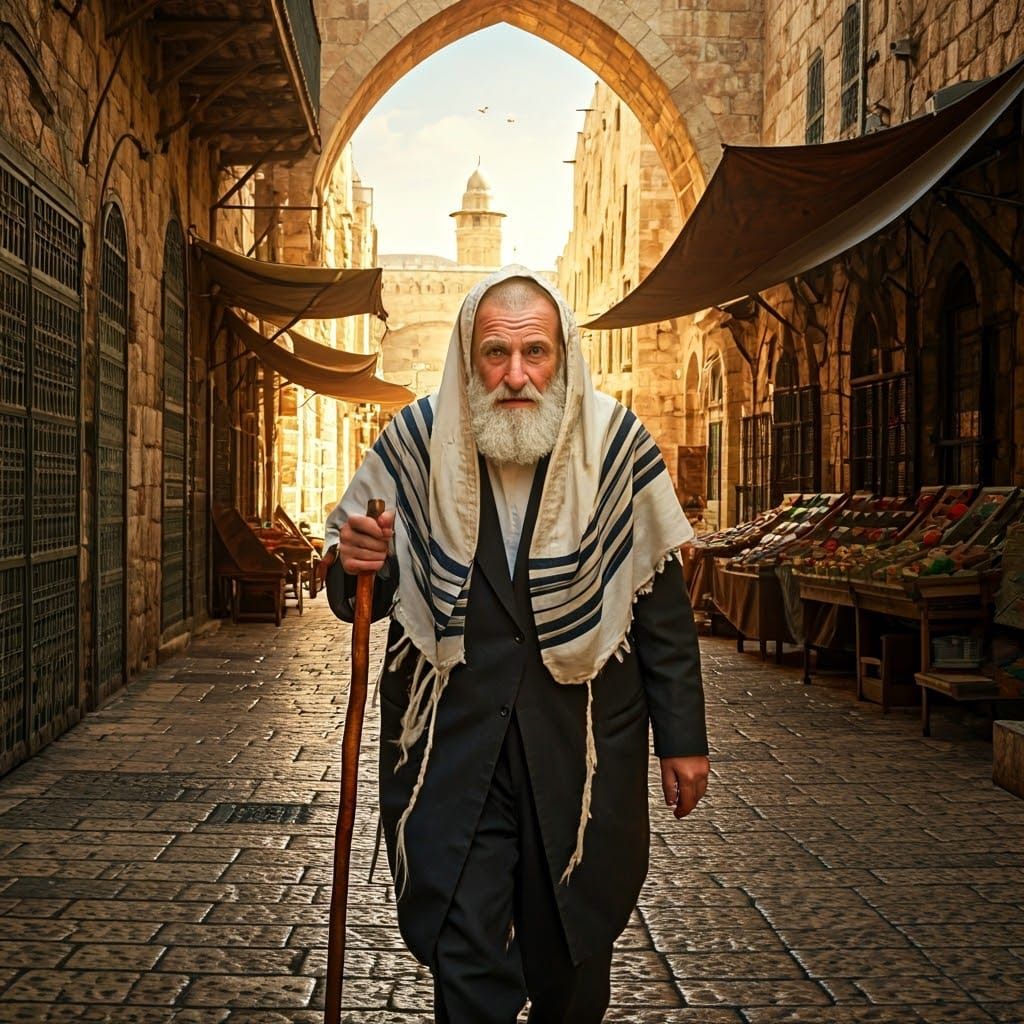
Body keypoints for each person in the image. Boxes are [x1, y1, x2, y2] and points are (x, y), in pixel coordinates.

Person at [321, 266, 708, 1023]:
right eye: (496, 354)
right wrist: (358, 558)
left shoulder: (618, 447)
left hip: (582, 751)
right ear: (469, 358)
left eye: (536, 353)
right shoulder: (415, 442)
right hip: (453, 751)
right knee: (466, 955)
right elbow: (355, 590)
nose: (516, 375)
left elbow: (662, 607)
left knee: (571, 956)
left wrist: (682, 741)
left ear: (564, 356)